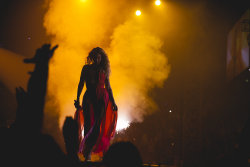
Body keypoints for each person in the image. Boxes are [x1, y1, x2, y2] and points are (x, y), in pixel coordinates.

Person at [74, 47, 118, 161]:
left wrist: (113, 102)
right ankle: (87, 151)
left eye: (99, 57)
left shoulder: (103, 70)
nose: (97, 59)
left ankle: (88, 150)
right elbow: (81, 84)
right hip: (89, 97)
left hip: (101, 98)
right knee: (88, 125)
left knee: (97, 125)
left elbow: (108, 87)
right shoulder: (86, 68)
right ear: (92, 57)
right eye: (95, 57)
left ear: (101, 58)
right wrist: (77, 98)